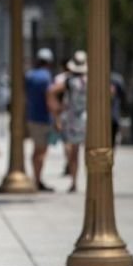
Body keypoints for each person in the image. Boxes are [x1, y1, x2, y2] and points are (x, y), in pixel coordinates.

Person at [48, 50, 88, 193]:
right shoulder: (90, 80)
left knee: (73, 152)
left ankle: (74, 181)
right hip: (86, 117)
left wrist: (57, 111)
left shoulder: (69, 81)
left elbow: (51, 92)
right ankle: (82, 180)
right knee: (88, 152)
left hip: (71, 118)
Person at [25, 48, 55, 192]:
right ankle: (37, 180)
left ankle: (36, 178)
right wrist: (55, 116)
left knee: (36, 150)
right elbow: (49, 98)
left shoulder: (30, 75)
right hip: (43, 117)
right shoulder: (46, 77)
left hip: (32, 116)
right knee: (42, 151)